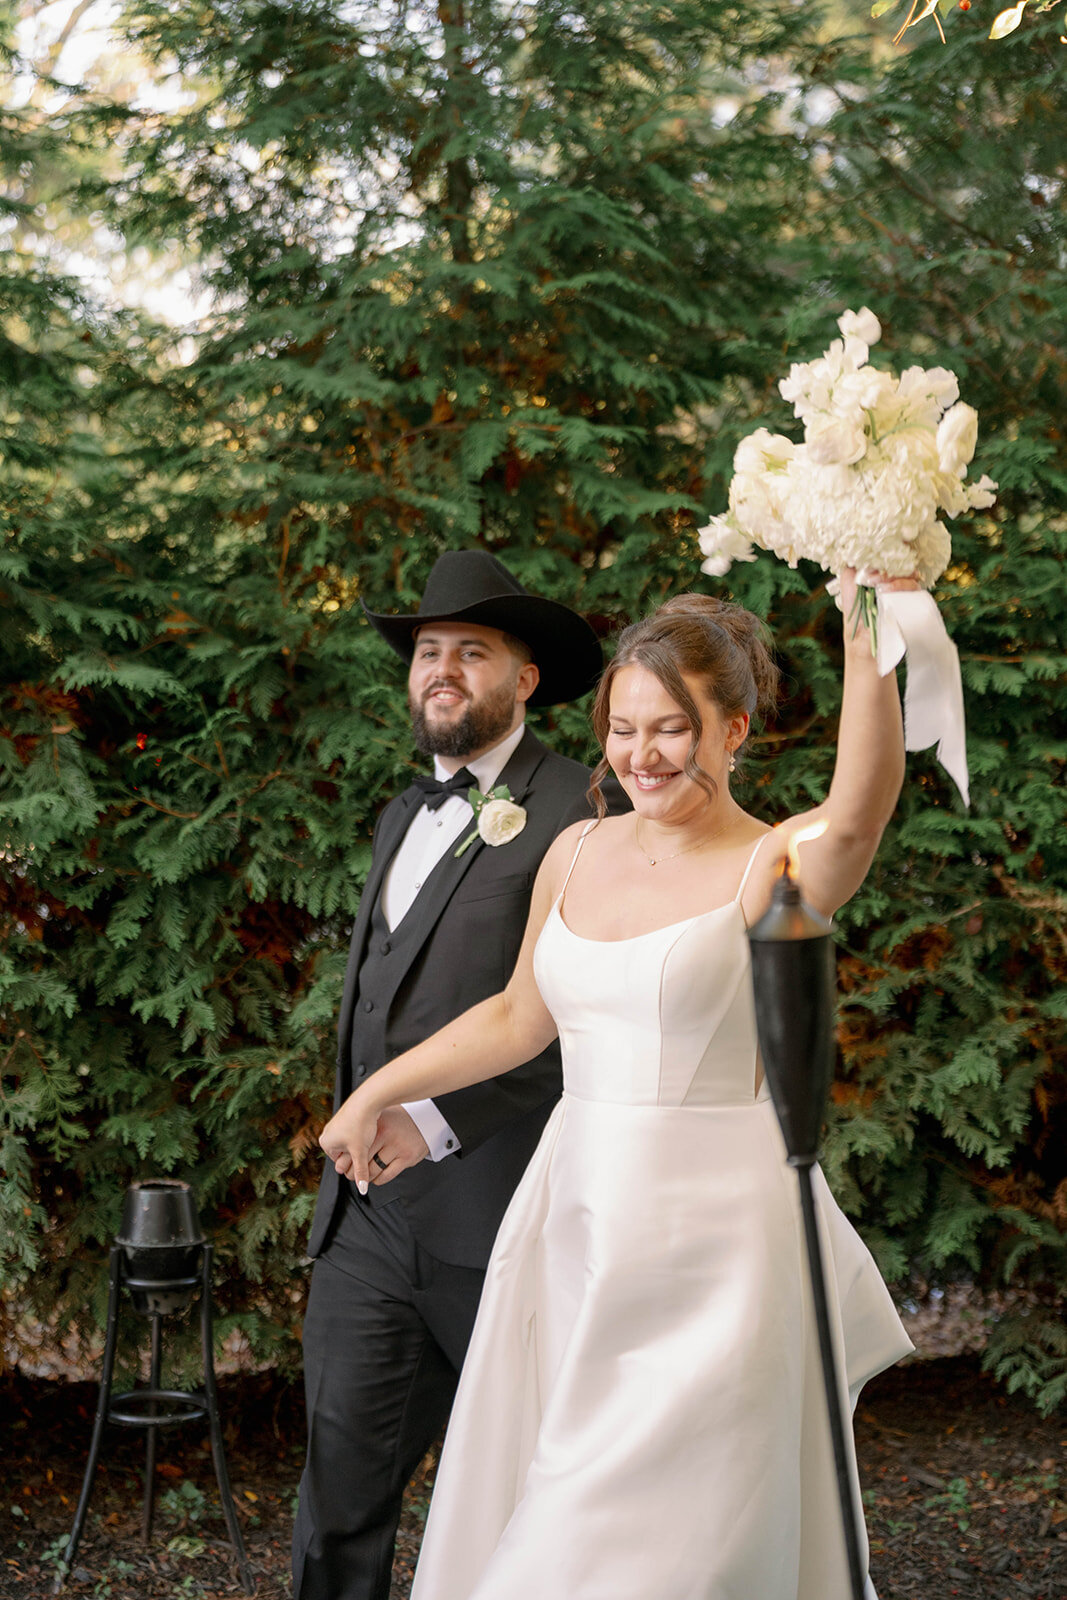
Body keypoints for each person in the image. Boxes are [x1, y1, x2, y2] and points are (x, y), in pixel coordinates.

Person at [320, 571, 917, 1600]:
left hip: (720, 1248)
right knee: (561, 1504)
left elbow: (858, 813)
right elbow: (518, 1016)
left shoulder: (773, 865)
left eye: (672, 729)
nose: (642, 755)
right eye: (623, 729)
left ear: (733, 731)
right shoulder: (574, 848)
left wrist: (871, 630)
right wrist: (378, 1093)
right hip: (577, 1224)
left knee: (676, 1541)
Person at [293, 549, 617, 1600]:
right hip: (365, 1222)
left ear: (525, 678)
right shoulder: (400, 814)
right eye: (427, 650)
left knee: (531, 1505)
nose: (441, 669)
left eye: (470, 651)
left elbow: (583, 1018)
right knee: (336, 1504)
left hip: (506, 1217)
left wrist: (429, 1120)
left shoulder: (584, 808)